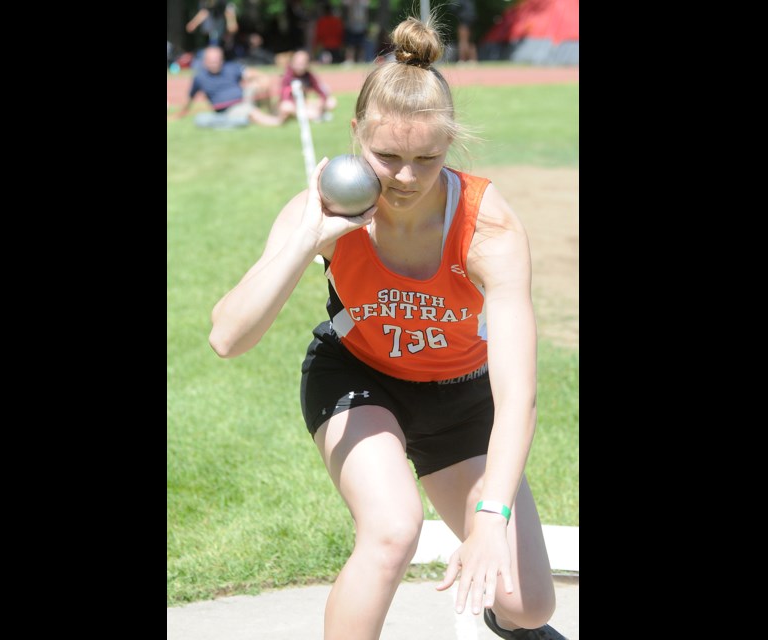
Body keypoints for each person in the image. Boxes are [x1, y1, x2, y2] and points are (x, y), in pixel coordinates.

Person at [208, 14, 566, 640]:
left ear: (449, 144)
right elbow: (227, 339)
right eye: (386, 156)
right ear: (355, 135)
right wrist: (305, 242)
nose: (403, 177)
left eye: (425, 158)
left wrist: (490, 515)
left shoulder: (488, 227)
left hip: (462, 394)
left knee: (528, 604)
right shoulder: (323, 209)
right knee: (392, 528)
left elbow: (517, 395)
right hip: (359, 377)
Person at [173, 46, 281, 128]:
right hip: (228, 109)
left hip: (244, 98)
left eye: (217, 60)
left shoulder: (231, 67)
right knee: (248, 110)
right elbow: (190, 98)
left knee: (259, 84)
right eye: (211, 61)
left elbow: (252, 73)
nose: (214, 63)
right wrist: (181, 113)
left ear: (222, 59)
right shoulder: (200, 78)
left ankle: (271, 111)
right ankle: (276, 121)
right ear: (205, 61)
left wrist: (263, 79)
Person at [277, 50, 337, 124]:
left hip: (305, 103)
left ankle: (315, 114)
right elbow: (284, 97)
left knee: (331, 102)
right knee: (285, 107)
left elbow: (320, 90)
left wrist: (321, 102)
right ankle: (315, 115)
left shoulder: (308, 75)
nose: (300, 67)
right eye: (298, 63)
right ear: (292, 63)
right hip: (293, 104)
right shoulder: (288, 76)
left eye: (303, 64)